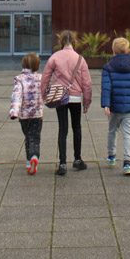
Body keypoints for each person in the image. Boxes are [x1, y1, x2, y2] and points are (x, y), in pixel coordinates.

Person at [41, 31, 91, 176]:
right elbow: (87, 83)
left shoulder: (54, 57)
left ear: (61, 41)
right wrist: (86, 101)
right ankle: (77, 159)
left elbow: (45, 78)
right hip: (75, 98)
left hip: (60, 98)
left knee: (63, 129)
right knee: (77, 127)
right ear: (74, 41)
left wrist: (44, 95)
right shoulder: (80, 59)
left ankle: (62, 163)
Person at [101, 37, 130, 177]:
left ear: (113, 50)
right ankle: (127, 163)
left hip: (114, 107)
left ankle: (111, 156)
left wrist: (106, 104)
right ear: (128, 50)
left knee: (112, 131)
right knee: (128, 135)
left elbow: (106, 88)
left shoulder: (108, 67)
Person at [9, 52, 43, 175]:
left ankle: (29, 162)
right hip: (37, 115)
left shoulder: (20, 79)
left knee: (28, 137)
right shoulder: (41, 78)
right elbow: (46, 93)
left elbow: (16, 97)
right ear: (36, 65)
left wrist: (14, 112)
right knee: (35, 137)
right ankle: (34, 156)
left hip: (23, 116)